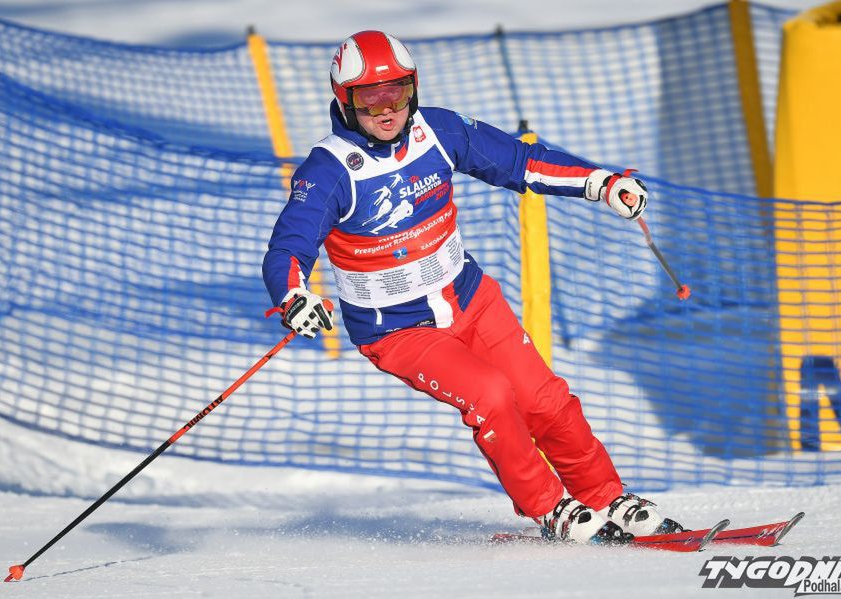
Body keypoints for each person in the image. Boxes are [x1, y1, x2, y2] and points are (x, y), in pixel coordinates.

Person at [263, 30, 682, 544]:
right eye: (369, 100)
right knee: (491, 394)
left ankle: (606, 497)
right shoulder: (328, 171)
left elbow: (521, 162)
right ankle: (552, 509)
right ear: (343, 102)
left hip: (469, 299)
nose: (386, 110)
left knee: (545, 400)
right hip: (397, 330)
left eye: (396, 93)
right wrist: (293, 296)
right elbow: (288, 247)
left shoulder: (437, 130)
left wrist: (600, 182)